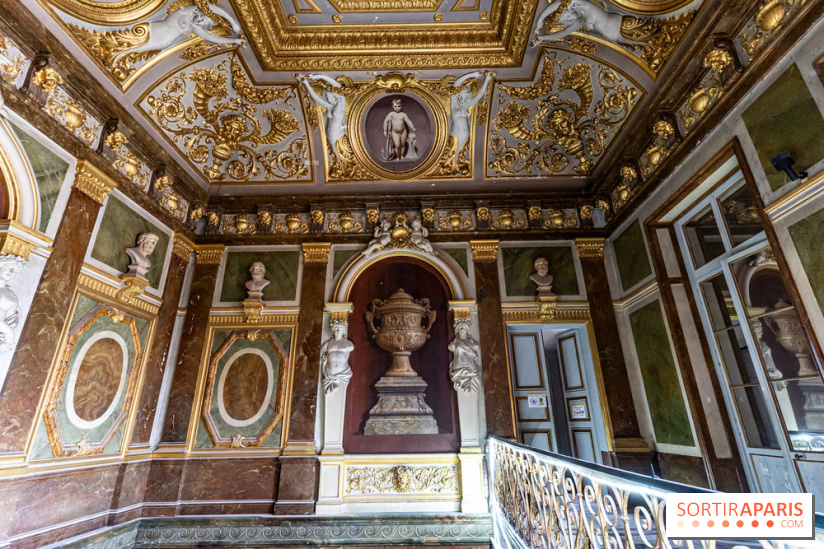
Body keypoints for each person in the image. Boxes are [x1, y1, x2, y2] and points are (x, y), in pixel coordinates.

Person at [112, 3, 244, 65]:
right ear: (204, 13)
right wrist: (234, 23)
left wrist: (235, 41)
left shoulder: (196, 28)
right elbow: (217, 10)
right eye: (204, 17)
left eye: (204, 23)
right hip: (158, 28)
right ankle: (122, 51)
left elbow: (212, 37)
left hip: (165, 40)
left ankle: (122, 54)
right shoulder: (194, 9)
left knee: (146, 46)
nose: (200, 21)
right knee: (142, 42)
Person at [534, 0, 630, 45]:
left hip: (623, 25)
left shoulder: (581, 4)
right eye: (566, 18)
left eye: (564, 13)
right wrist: (543, 38)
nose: (566, 13)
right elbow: (563, 32)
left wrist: (540, 20)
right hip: (617, 38)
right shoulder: (581, 21)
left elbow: (559, 3)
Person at [448, 72, 494, 164]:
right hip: (455, 134)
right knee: (452, 156)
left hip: (466, 135)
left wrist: (487, 80)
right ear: (458, 96)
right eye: (462, 96)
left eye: (466, 97)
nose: (464, 100)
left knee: (460, 157)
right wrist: (471, 75)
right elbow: (456, 84)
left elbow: (479, 95)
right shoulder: (454, 105)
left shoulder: (466, 105)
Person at [299, 75, 347, 157]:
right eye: (327, 97)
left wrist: (318, 76)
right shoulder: (329, 106)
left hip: (339, 139)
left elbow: (336, 84)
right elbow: (315, 98)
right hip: (330, 138)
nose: (329, 99)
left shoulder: (341, 102)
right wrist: (306, 83)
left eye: (330, 96)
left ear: (335, 94)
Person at [448, 320, 481, 393]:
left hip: (471, 367)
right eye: (460, 328)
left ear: (467, 329)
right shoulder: (455, 343)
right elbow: (450, 347)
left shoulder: (473, 343)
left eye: (463, 327)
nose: (462, 329)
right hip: (459, 367)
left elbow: (477, 347)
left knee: (472, 391)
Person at [321, 321, 355, 393]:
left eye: (338, 329)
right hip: (329, 374)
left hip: (342, 374)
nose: (336, 331)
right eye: (335, 329)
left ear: (342, 330)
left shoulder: (348, 344)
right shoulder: (328, 344)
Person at [0, 255, 24, 352]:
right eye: (8, 267)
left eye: (14, 270)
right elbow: (8, 329)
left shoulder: (12, 296)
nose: (11, 272)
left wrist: (6, 339)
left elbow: (10, 321)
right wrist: (9, 333)